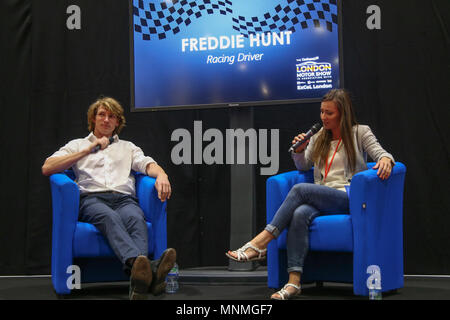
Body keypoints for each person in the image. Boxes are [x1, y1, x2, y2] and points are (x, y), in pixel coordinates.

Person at [226, 89, 395, 300]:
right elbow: (304, 165)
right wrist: (299, 150)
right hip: (322, 196)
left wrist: (386, 159)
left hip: (349, 197)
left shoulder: (360, 132)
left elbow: (381, 153)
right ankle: (293, 282)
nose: (323, 117)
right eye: (322, 112)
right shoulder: (318, 137)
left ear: (343, 114)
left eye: (329, 113)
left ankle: (262, 241)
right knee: (299, 214)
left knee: (299, 190)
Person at [42, 96, 176, 300]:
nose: (106, 120)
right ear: (93, 119)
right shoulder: (78, 144)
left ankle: (140, 281)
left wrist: (162, 174)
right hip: (92, 200)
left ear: (117, 122)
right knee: (108, 217)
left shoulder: (128, 147)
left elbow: (147, 164)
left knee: (135, 218)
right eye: (102, 115)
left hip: (124, 199)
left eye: (111, 116)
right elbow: (47, 167)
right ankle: (148, 269)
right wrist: (86, 151)